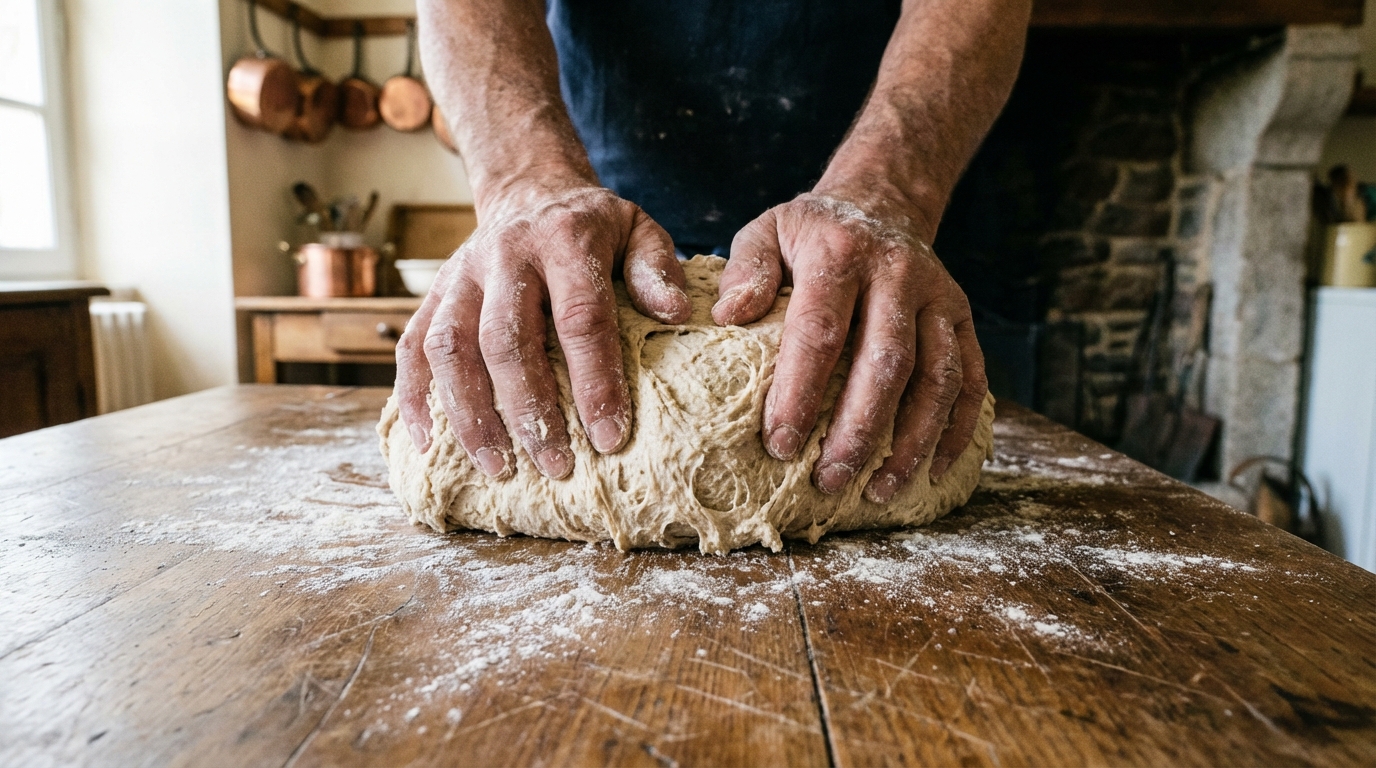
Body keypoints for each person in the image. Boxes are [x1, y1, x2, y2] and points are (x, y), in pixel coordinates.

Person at [397, 0, 1030, 503]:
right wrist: (523, 182)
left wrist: (891, 192)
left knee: (906, 393)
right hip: (585, 237)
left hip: (889, 235)